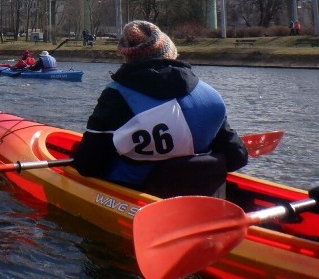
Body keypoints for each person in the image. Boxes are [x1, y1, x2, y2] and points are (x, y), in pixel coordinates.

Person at [73, 20, 249, 199]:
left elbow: (87, 164)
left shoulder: (115, 96)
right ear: (171, 54)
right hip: (204, 195)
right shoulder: (211, 96)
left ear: (128, 58)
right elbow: (237, 158)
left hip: (139, 198)